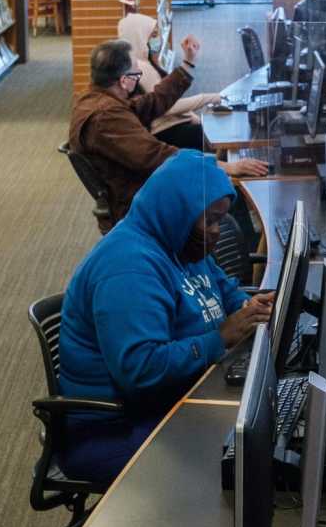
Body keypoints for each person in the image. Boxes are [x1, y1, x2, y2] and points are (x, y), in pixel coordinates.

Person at [56, 152, 275, 483]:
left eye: (220, 219)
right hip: (114, 427)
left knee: (258, 440)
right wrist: (221, 337)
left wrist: (252, 307)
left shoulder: (179, 242)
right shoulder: (128, 268)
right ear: (178, 213)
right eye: (210, 220)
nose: (216, 231)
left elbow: (223, 290)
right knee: (236, 465)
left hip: (168, 403)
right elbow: (141, 369)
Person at [68, 35, 267, 226]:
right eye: (137, 74)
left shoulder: (96, 100)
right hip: (140, 199)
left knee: (219, 181)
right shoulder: (106, 118)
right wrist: (226, 166)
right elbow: (158, 156)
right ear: (124, 81)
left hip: (139, 187)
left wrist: (187, 65)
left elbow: (151, 102)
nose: (138, 79)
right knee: (224, 187)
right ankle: (236, 256)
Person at [116, 13, 217, 151]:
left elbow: (168, 98)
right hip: (164, 131)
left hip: (167, 126)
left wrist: (189, 116)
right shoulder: (140, 67)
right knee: (213, 136)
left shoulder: (142, 61)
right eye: (153, 35)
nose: (158, 39)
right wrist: (207, 98)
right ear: (140, 36)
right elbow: (166, 106)